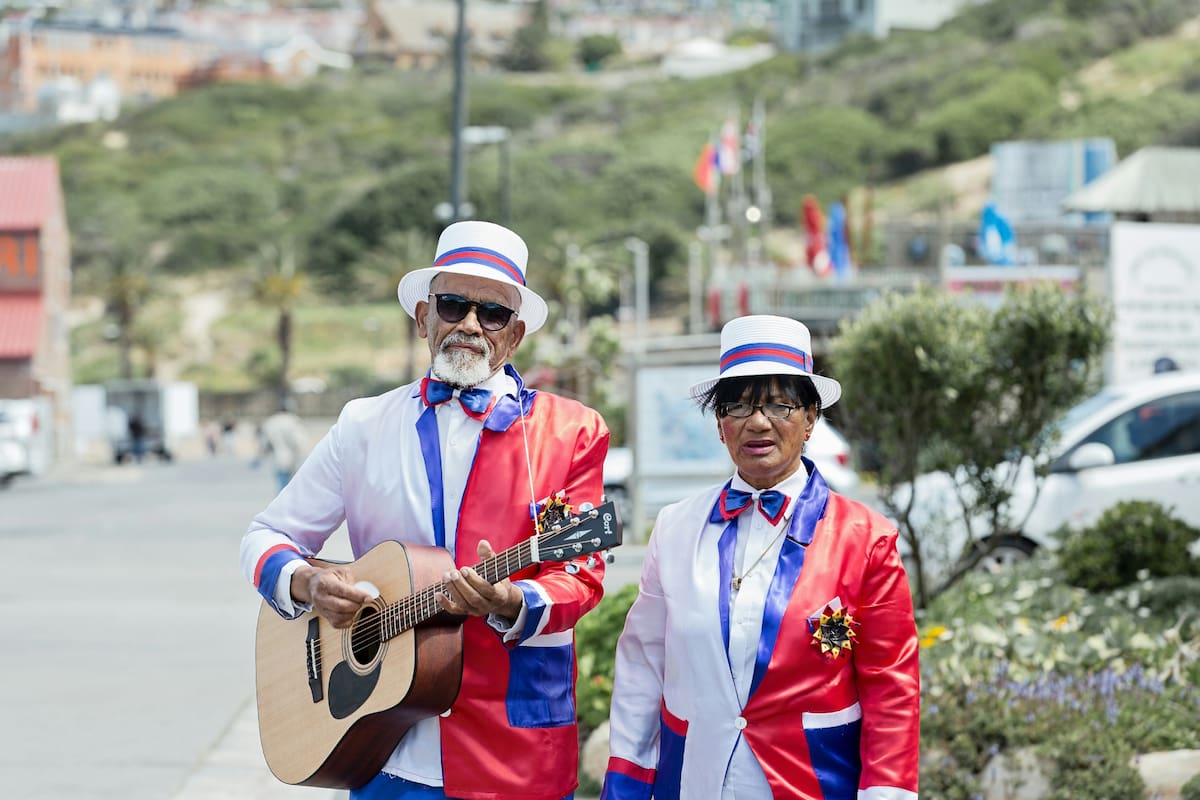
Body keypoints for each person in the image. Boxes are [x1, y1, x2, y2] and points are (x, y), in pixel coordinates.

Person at [240, 220, 610, 800]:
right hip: (382, 749)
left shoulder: (572, 431)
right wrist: (308, 583)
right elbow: (265, 536)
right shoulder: (363, 425)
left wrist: (511, 600)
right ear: (423, 317)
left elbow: (581, 577)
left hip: (515, 752)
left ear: (515, 334)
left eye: (492, 313)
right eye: (453, 305)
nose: (470, 325)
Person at [601, 314, 920, 800]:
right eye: (738, 405)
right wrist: (625, 785)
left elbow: (891, 693)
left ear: (811, 418)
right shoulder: (675, 528)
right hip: (691, 783)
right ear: (719, 423)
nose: (757, 421)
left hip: (813, 785)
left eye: (779, 404)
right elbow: (643, 669)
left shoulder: (866, 540)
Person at [257, 397, 309, 491]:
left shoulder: (271, 421)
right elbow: (298, 441)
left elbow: (265, 443)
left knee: (281, 486)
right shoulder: (293, 421)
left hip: (276, 458)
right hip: (291, 457)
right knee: (291, 487)